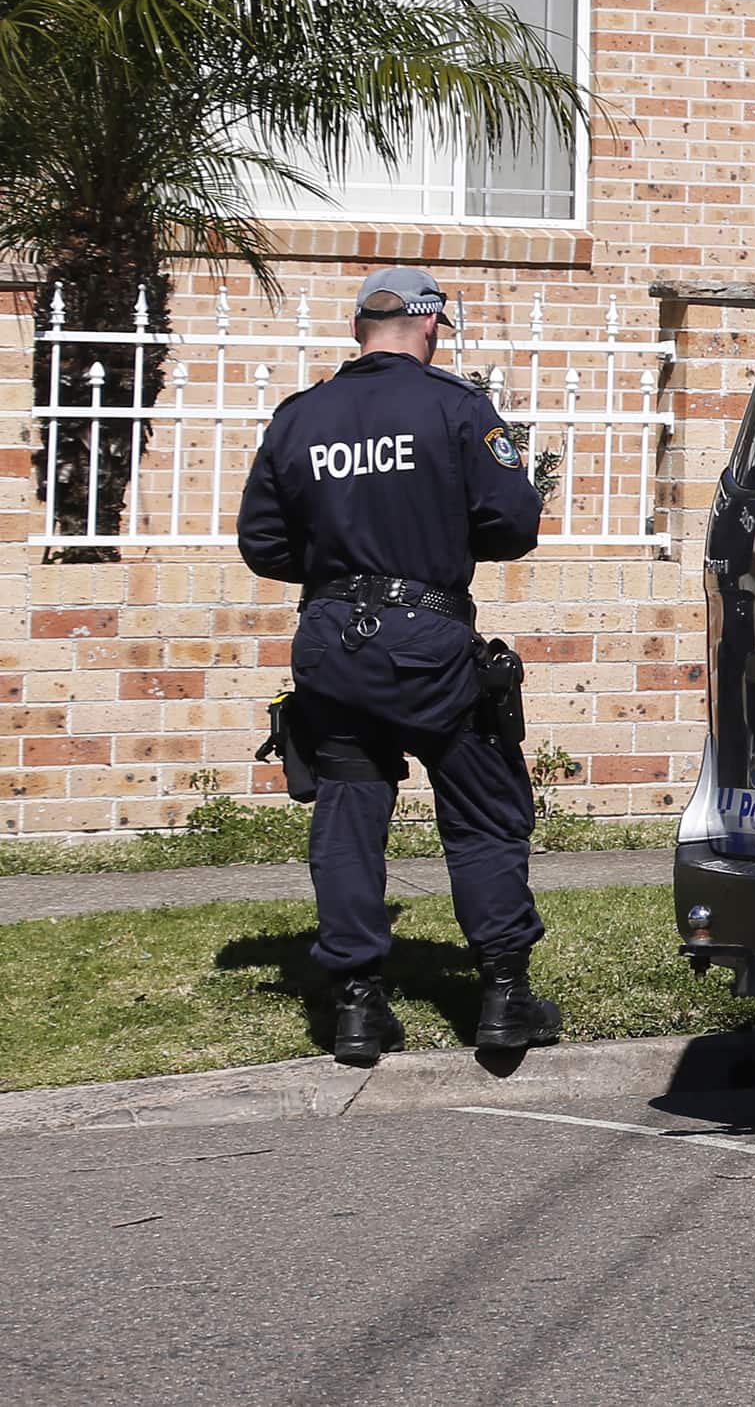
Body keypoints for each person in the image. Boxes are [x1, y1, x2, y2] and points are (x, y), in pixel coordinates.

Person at [236, 267, 554, 1067]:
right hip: (429, 639)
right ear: (431, 326)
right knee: (482, 806)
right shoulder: (454, 406)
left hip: (332, 641)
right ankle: (504, 996)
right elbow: (512, 523)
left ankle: (355, 1005)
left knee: (347, 809)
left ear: (357, 331)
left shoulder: (299, 418)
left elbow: (263, 543)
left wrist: (342, 561)